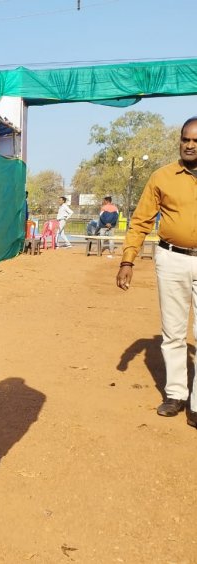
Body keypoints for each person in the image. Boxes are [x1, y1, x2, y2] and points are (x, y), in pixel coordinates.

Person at [117, 116, 197, 429]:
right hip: (171, 259)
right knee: (174, 332)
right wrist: (127, 260)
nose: (189, 145)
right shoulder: (162, 176)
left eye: (195, 141)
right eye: (185, 139)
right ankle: (176, 394)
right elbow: (140, 221)